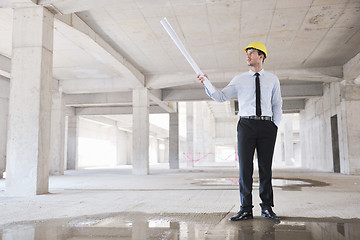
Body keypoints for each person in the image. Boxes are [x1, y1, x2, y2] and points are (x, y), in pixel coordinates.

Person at [197, 41, 282, 221]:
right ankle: (245, 209)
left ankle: (267, 207)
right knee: (245, 168)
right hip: (246, 125)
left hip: (267, 126)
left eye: (251, 53)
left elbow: (277, 104)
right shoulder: (239, 79)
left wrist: (275, 125)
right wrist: (207, 83)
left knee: (265, 168)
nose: (248, 56)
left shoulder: (273, 79)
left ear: (262, 56)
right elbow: (220, 97)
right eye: (247, 53)